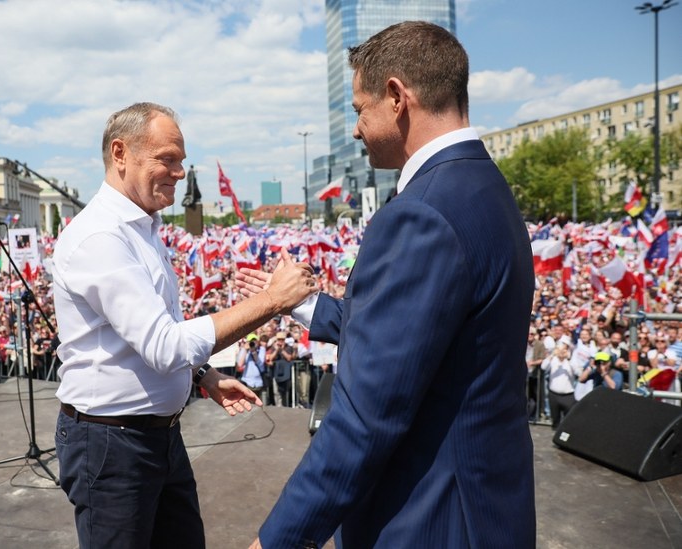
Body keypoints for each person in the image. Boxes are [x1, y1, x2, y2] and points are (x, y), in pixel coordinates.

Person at [241, 22, 536, 548]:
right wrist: (303, 303)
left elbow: (365, 416)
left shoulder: (421, 213)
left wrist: (278, 540)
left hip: (430, 518)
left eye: (360, 109)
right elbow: (425, 337)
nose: (356, 130)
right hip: (484, 504)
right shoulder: (482, 185)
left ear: (397, 97)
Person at [50, 102, 316, 549]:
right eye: (167, 159)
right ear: (121, 153)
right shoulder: (102, 237)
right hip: (112, 446)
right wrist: (272, 300)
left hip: (159, 435)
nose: (179, 172)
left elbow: (152, 331)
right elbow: (164, 345)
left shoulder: (143, 229)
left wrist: (201, 374)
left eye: (181, 161)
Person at [237, 333, 268, 405]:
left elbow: (260, 363)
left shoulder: (261, 349)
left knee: (260, 404)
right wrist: (245, 349)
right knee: (248, 405)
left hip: (258, 383)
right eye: (251, 341)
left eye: (254, 340)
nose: (253, 342)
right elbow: (240, 364)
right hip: (247, 382)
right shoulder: (245, 350)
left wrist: (254, 351)